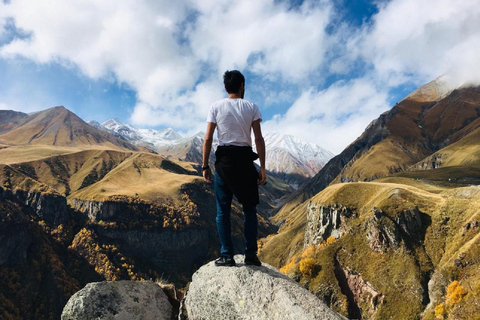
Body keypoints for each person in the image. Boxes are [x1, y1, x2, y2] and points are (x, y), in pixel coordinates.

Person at [202, 70, 267, 267]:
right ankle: (251, 255)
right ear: (242, 86)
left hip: (224, 162)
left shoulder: (215, 106)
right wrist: (262, 167)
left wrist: (205, 165)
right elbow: (258, 138)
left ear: (225, 87)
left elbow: (208, 138)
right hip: (245, 162)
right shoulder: (252, 107)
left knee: (222, 210)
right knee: (249, 210)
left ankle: (226, 255)